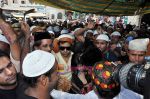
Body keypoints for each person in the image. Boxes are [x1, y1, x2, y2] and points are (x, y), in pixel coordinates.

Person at [51, 61, 141, 99]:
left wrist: (50, 90)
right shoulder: (132, 94)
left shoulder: (92, 97)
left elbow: (69, 97)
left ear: (94, 88)